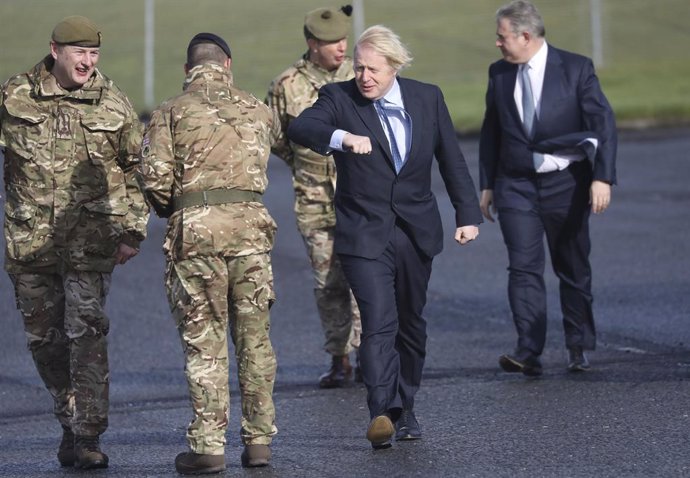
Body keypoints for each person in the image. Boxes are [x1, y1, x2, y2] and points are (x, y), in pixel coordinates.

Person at [287, 25, 481, 449]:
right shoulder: (339, 99)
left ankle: (404, 406)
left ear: (395, 66)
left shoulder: (427, 97)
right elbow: (301, 127)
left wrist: (467, 214)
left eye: (373, 69)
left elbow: (452, 159)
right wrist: (342, 137)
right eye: (358, 68)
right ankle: (380, 411)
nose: (364, 77)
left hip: (416, 232)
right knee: (378, 323)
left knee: (410, 323)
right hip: (364, 234)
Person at [0, 16, 147, 469]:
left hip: (90, 245)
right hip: (31, 245)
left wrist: (132, 230)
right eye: (79, 53)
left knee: (86, 334)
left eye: (93, 54)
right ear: (55, 50)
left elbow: (139, 169)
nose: (87, 62)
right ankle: (69, 419)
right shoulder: (15, 95)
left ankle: (88, 435)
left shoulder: (113, 103)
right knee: (45, 343)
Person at [137, 33, 280, 474]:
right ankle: (258, 442)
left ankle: (208, 445)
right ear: (228, 64)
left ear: (188, 70)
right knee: (254, 339)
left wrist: (176, 209)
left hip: (196, 236)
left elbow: (155, 180)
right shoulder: (259, 108)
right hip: (251, 235)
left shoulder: (169, 113)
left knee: (206, 344)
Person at [479, 0, 617, 377]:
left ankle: (577, 344)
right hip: (515, 184)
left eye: (502, 36)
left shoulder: (576, 68)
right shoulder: (500, 73)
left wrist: (602, 177)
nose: (497, 44)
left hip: (566, 184)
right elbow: (491, 130)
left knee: (572, 267)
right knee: (522, 268)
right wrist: (487, 184)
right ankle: (528, 350)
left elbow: (602, 124)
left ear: (525, 36)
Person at [267, 4, 362, 389]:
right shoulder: (286, 84)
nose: (340, 48)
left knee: (367, 275)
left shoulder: (362, 75)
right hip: (313, 198)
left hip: (360, 194)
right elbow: (278, 138)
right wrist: (309, 167)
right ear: (311, 43)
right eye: (330, 42)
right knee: (328, 280)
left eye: (343, 40)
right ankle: (340, 358)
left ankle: (373, 354)